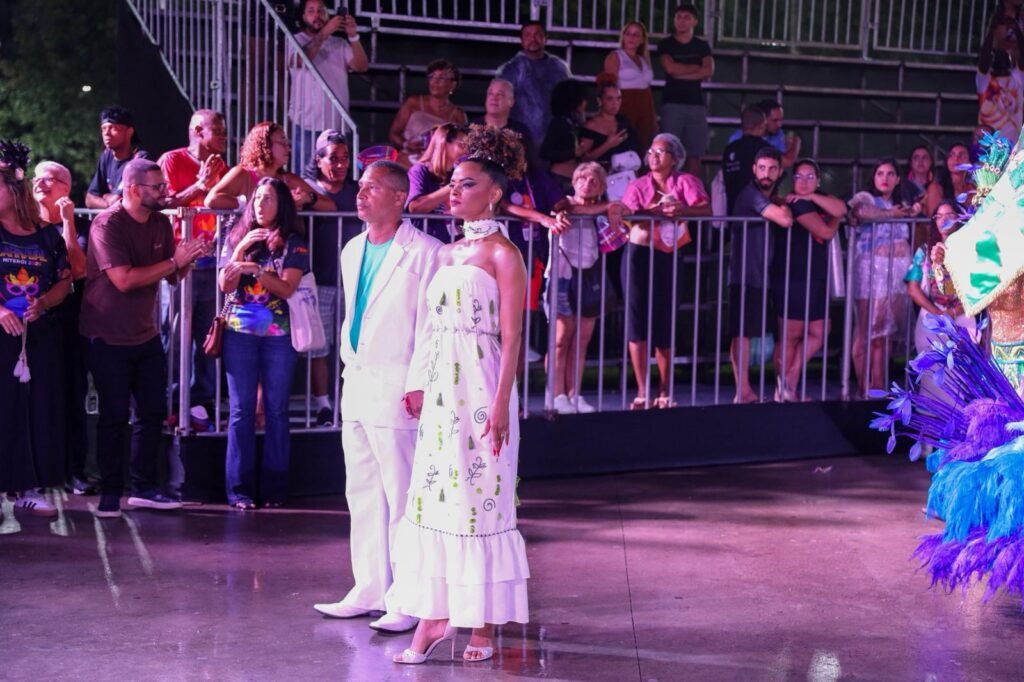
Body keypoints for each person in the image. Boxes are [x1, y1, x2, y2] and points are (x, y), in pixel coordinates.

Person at [389, 146, 530, 666]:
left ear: (494, 193)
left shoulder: (504, 254)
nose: (454, 191)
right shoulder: (445, 254)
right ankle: (434, 616)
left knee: (479, 495)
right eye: (452, 183)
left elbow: (512, 337)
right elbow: (428, 327)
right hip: (442, 392)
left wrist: (501, 402)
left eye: (467, 184)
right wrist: (418, 383)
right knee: (436, 497)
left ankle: (482, 621)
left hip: (482, 383)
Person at [312, 160, 442, 634]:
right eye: (361, 186)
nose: (361, 193)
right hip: (360, 383)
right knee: (362, 490)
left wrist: (419, 382)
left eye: (372, 187)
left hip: (399, 386)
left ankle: (406, 597)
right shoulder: (352, 248)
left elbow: (430, 325)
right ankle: (368, 587)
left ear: (399, 197)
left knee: (402, 495)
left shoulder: (426, 252)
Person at [81, 159, 208, 518]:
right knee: (113, 415)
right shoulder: (107, 224)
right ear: (134, 189)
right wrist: (174, 262)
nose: (165, 192)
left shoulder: (161, 223)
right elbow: (123, 280)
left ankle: (144, 488)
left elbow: (172, 276)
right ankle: (110, 493)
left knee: (152, 413)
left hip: (145, 334)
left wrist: (189, 257)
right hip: (107, 336)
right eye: (157, 187)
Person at [219, 177, 308, 509]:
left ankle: (275, 489)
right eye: (257, 198)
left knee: (276, 411)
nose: (260, 205)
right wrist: (240, 250)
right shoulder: (237, 235)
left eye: (268, 199)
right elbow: (225, 285)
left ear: (281, 204)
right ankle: (238, 491)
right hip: (238, 335)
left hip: (279, 338)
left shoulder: (294, 243)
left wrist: (256, 270)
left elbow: (286, 289)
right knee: (241, 411)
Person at [0, 141, 71, 522]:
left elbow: (65, 281)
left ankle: (28, 489)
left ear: (14, 190)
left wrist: (42, 303)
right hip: (1, 334)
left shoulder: (46, 235)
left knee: (35, 409)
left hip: (36, 336)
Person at [619, 133, 711, 410]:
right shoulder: (638, 184)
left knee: (665, 320)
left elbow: (706, 209)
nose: (654, 156)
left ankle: (664, 389)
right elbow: (627, 214)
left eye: (660, 152)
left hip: (670, 254)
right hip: (638, 255)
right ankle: (642, 390)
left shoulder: (686, 181)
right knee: (636, 320)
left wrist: (683, 210)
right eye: (651, 151)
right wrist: (656, 212)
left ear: (674, 158)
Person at [159, 109, 229, 415]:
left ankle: (202, 404)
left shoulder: (222, 166)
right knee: (173, 335)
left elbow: (227, 208)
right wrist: (200, 186)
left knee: (208, 335)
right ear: (198, 131)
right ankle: (169, 402)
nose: (225, 137)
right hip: (179, 264)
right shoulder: (172, 160)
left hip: (211, 262)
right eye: (219, 131)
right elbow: (164, 204)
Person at [32, 161, 93, 496]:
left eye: (49, 179)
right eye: (36, 178)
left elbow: (79, 269)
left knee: (72, 396)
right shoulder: (23, 227)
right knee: (33, 398)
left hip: (70, 324)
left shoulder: (81, 226)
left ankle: (75, 471)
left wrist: (67, 222)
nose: (40, 183)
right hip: (31, 323)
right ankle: (33, 470)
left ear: (65, 188)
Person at [770, 159, 845, 402]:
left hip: (815, 276)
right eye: (799, 177)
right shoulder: (795, 203)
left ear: (818, 180)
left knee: (820, 330)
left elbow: (841, 207)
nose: (804, 182)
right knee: (791, 334)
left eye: (810, 177)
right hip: (792, 275)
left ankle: (789, 381)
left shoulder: (815, 198)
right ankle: (782, 389)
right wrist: (834, 219)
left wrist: (815, 197)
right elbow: (825, 231)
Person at [545, 162, 617, 414]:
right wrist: (607, 206)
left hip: (589, 277)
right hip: (563, 276)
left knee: (581, 341)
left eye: (594, 181)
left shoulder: (601, 212)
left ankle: (574, 394)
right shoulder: (563, 204)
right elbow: (570, 209)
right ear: (574, 182)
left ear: (601, 188)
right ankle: (555, 394)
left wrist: (610, 209)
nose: (587, 184)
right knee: (560, 339)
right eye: (582, 179)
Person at [301, 129, 360, 426]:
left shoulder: (358, 189)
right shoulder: (307, 189)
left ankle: (352, 402)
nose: (340, 164)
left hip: (355, 281)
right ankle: (323, 405)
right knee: (320, 347)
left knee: (355, 344)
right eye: (333, 158)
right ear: (318, 159)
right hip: (319, 280)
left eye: (345, 158)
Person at [847, 158, 919, 396]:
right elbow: (859, 212)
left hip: (897, 273)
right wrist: (891, 214)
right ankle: (863, 386)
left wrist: (911, 211)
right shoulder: (866, 198)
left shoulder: (901, 204)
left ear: (897, 179)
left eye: (890, 174)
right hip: (871, 271)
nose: (885, 178)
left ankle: (878, 385)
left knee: (886, 331)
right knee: (867, 330)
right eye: (880, 173)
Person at [729, 147, 793, 404]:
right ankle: (742, 391)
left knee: (746, 332)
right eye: (762, 168)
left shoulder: (766, 196)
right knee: (742, 333)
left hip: (760, 274)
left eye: (772, 168)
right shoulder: (751, 194)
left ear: (779, 171)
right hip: (745, 274)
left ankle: (746, 390)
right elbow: (785, 220)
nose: (767, 173)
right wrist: (784, 205)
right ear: (754, 169)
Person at [288, 0, 369, 169]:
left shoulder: (339, 43)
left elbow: (361, 66)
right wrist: (324, 33)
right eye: (311, 11)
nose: (317, 15)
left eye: (321, 10)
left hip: (338, 125)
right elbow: (301, 60)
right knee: (305, 177)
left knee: (338, 176)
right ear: (303, 16)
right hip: (307, 125)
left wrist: (353, 36)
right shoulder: (295, 40)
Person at [205, 121, 333, 214]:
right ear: (265, 145)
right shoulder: (242, 174)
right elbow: (212, 199)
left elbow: (330, 205)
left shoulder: (288, 179)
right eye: (282, 142)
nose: (288, 148)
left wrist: (308, 198)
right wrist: (251, 204)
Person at [905, 200, 975, 355]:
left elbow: (979, 286)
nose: (944, 220)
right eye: (939, 216)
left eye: (949, 215)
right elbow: (912, 288)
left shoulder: (970, 250)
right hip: (933, 315)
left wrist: (956, 311)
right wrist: (938, 313)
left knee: (965, 363)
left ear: (959, 218)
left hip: (965, 314)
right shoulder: (924, 251)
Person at [496, 20, 572, 151]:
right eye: (528, 35)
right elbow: (499, 104)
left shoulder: (560, 67)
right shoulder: (510, 69)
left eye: (538, 34)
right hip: (519, 141)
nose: (533, 39)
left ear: (546, 38)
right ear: (521, 40)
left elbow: (572, 101)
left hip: (555, 140)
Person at [656, 4, 713, 176]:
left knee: (695, 153)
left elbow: (708, 70)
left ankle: (692, 190)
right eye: (678, 17)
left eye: (686, 17)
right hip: (672, 103)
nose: (681, 21)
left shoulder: (702, 45)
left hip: (696, 104)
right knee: (669, 152)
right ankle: (669, 188)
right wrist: (695, 68)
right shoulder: (666, 44)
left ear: (695, 21)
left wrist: (681, 74)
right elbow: (670, 68)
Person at [389, 59, 468, 165]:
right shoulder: (413, 103)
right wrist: (406, 144)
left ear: (452, 84)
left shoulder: (458, 115)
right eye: (432, 76)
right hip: (408, 161)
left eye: (441, 77)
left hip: (439, 166)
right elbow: (394, 133)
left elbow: (462, 146)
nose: (435, 81)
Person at [406, 123, 469, 242]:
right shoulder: (419, 171)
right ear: (444, 143)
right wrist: (453, 186)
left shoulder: (457, 172)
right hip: (425, 243)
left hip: (452, 242)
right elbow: (415, 208)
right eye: (462, 144)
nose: (467, 150)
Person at [603, 21, 658, 150]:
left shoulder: (643, 59)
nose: (631, 38)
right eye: (628, 34)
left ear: (642, 40)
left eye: (636, 34)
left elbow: (647, 88)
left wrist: (653, 118)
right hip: (625, 104)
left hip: (645, 108)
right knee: (625, 146)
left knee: (643, 146)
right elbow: (608, 86)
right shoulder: (616, 56)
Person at [85, 106, 151, 209]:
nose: (106, 133)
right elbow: (89, 199)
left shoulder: (140, 159)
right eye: (104, 128)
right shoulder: (106, 157)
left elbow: (121, 200)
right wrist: (108, 205)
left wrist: (106, 197)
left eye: (113, 128)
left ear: (129, 131)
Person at [578, 77, 641, 169]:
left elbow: (636, 148)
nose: (615, 103)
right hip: (599, 172)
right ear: (599, 100)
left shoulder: (623, 121)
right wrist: (608, 145)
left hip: (625, 172)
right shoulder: (590, 126)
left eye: (618, 98)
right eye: (610, 99)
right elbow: (583, 159)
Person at [472, 79, 535, 167]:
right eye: (490, 94)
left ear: (511, 102)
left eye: (500, 94)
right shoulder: (471, 128)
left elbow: (529, 166)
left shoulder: (521, 132)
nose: (494, 98)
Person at [540, 79, 589, 192]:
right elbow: (545, 152)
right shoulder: (559, 123)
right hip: (559, 179)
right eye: (583, 99)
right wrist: (572, 153)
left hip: (572, 179)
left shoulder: (574, 123)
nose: (586, 103)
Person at [726, 99, 801, 169]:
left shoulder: (779, 134)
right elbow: (787, 161)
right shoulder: (737, 139)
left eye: (781, 120)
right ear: (763, 119)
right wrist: (796, 141)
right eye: (775, 120)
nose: (779, 125)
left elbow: (780, 162)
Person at [722, 104, 768, 213]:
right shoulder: (762, 148)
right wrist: (795, 144)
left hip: (732, 213)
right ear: (761, 125)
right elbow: (787, 161)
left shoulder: (729, 149)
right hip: (757, 214)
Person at [976, 43, 1024, 146]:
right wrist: (990, 34)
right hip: (989, 147)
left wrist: (1018, 35)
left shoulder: (1017, 79)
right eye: (998, 60)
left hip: (1014, 146)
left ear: (1009, 63)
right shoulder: (985, 81)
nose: (1001, 63)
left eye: (1004, 59)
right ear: (992, 64)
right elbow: (983, 61)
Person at [923, 142, 976, 216]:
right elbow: (933, 217)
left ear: (969, 162)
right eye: (952, 155)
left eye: (961, 155)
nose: (956, 159)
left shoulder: (972, 188)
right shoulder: (936, 188)